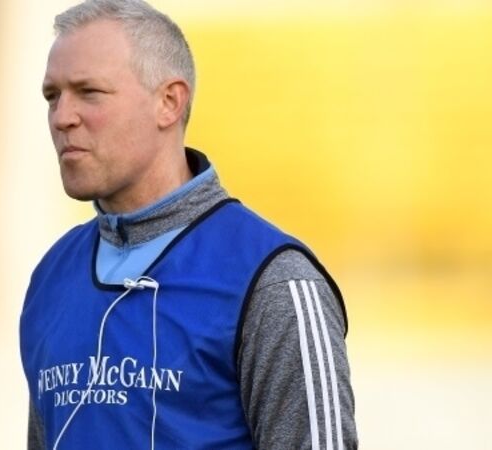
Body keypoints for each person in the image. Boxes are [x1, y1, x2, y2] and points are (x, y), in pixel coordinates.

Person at [19, 1, 358, 449]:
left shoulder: (273, 280)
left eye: (89, 92)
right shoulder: (52, 276)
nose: (63, 116)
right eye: (52, 96)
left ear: (169, 102)